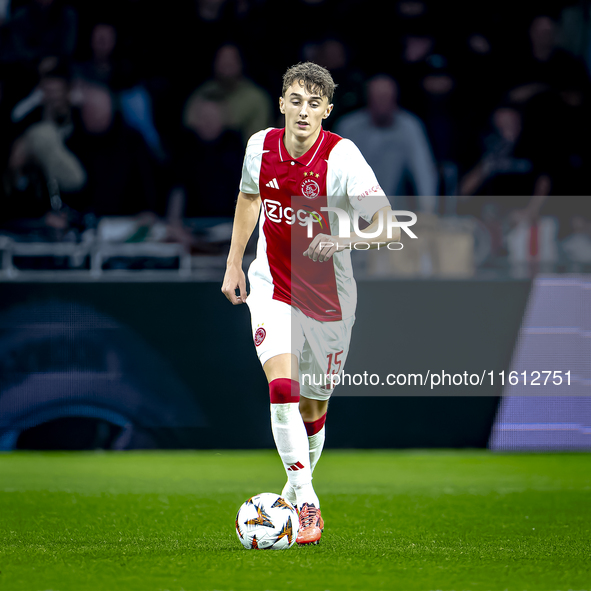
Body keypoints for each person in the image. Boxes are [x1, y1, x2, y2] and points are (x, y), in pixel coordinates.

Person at [221, 62, 399, 545]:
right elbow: (248, 198)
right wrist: (234, 262)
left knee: (314, 406)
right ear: (281, 103)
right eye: (294, 100)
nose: (303, 111)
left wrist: (341, 238)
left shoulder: (342, 157)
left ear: (327, 110)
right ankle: (305, 501)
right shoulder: (259, 146)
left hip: (328, 298)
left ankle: (294, 488)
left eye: (313, 103)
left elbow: (386, 225)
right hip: (272, 287)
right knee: (284, 388)